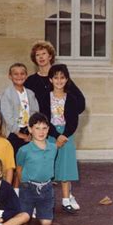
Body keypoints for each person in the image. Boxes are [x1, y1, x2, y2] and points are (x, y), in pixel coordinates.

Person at [43, 64, 80, 213]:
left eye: (62, 77)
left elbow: (73, 120)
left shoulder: (71, 97)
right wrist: (56, 135)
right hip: (51, 134)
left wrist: (64, 135)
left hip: (67, 135)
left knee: (65, 167)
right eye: (56, 77)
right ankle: (47, 200)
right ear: (51, 79)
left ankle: (66, 199)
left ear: (66, 79)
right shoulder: (46, 97)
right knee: (49, 167)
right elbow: (45, 117)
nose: (59, 80)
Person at [1, 63, 39, 190]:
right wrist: (18, 133)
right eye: (15, 74)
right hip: (13, 133)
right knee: (12, 164)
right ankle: (9, 191)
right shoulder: (8, 93)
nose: (19, 76)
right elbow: (7, 116)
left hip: (28, 132)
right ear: (10, 76)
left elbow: (34, 112)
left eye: (22, 73)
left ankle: (19, 190)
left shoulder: (30, 93)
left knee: (23, 164)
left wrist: (31, 131)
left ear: (26, 75)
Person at [16, 113, 57, 225]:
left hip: (46, 188)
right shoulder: (24, 150)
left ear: (48, 129)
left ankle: (39, 209)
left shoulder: (53, 148)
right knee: (23, 222)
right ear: (30, 129)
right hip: (28, 187)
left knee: (46, 223)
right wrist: (23, 184)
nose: (41, 132)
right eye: (37, 128)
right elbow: (19, 168)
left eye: (44, 128)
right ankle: (27, 210)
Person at [24, 40, 85, 114]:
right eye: (37, 55)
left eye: (44, 53)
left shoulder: (60, 78)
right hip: (40, 123)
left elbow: (80, 102)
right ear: (35, 59)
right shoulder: (30, 81)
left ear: (50, 56)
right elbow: (24, 104)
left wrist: (67, 116)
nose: (41, 57)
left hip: (59, 122)